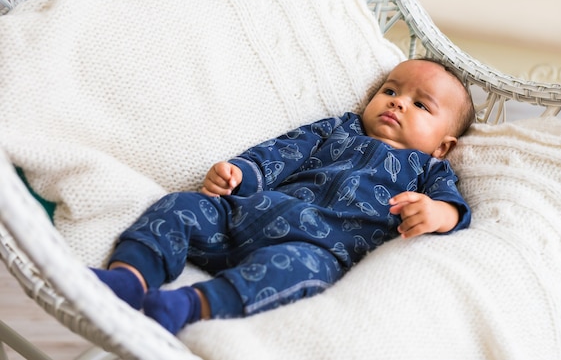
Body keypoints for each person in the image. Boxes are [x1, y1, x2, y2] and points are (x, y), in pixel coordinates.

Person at [91, 58, 475, 334]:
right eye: (390, 90)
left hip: (314, 250)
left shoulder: (429, 170)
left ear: (443, 146)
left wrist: (438, 213)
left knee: (296, 274)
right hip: (244, 217)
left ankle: (189, 305)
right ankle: (129, 276)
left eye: (421, 104)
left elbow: (456, 211)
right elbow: (281, 152)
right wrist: (238, 175)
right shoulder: (339, 128)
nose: (398, 102)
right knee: (182, 206)